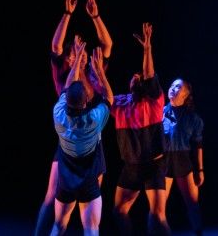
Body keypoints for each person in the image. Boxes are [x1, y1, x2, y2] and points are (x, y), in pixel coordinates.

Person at [34, 0, 113, 236]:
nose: (76, 55)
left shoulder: (93, 72)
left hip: (89, 142)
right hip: (69, 142)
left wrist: (96, 17)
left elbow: (107, 45)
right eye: (72, 54)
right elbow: (56, 46)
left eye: (79, 53)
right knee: (52, 196)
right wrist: (67, 14)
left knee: (89, 201)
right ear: (69, 58)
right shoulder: (64, 73)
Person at [111, 22, 171, 235]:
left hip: (154, 163)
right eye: (133, 77)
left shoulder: (154, 100)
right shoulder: (121, 103)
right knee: (119, 211)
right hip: (132, 166)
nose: (137, 77)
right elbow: (104, 95)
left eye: (140, 77)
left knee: (157, 214)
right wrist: (97, 70)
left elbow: (148, 75)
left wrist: (147, 49)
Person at [51, 40, 114, 236]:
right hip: (88, 180)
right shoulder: (93, 120)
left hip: (66, 180)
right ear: (86, 101)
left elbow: (67, 86)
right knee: (91, 228)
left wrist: (77, 58)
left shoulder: (58, 113)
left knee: (59, 225)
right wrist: (100, 73)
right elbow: (109, 99)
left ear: (66, 98)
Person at [162, 78, 205, 235]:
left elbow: (198, 146)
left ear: (186, 94)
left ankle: (198, 232)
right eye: (172, 85)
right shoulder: (160, 113)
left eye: (178, 86)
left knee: (192, 204)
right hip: (164, 162)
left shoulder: (192, 118)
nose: (173, 88)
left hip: (183, 162)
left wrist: (200, 170)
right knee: (159, 205)